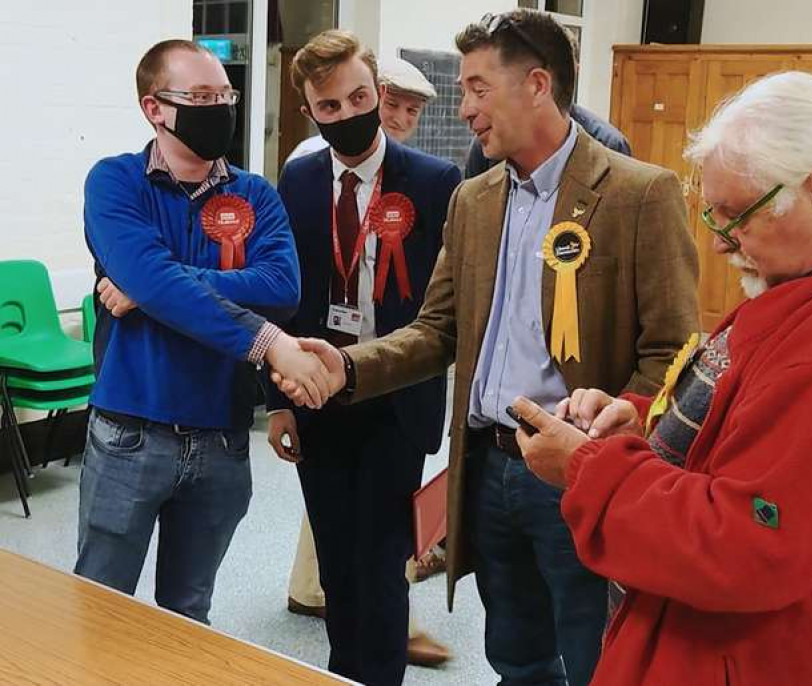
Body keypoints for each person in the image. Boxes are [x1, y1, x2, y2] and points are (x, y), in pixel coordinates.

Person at [511, 71, 812, 686]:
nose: (720, 242)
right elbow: (758, 420)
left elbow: (747, 544)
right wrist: (649, 421)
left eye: (737, 216)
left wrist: (588, 469)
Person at [273, 10, 700, 686]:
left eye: (476, 88)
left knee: (597, 657)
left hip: (576, 472)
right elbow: (435, 329)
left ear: (535, 84)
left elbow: (674, 351)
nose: (465, 108)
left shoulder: (638, 194)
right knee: (516, 656)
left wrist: (606, 427)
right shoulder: (474, 200)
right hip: (488, 469)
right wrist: (348, 365)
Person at [77, 39, 336, 624]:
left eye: (225, 95)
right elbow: (154, 276)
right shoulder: (115, 183)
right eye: (199, 97)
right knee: (100, 606)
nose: (218, 107)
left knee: (189, 614)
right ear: (154, 108)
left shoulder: (255, 195)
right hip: (129, 432)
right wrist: (267, 341)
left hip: (220, 436)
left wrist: (152, 287)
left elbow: (280, 288)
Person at [263, 30, 461, 686]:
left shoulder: (435, 183)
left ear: (378, 91)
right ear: (309, 113)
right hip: (317, 398)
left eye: (359, 97)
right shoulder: (298, 177)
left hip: (395, 401)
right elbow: (288, 298)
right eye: (330, 107)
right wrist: (279, 401)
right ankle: (343, 673)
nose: (348, 115)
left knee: (381, 569)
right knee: (338, 568)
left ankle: (375, 675)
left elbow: (444, 311)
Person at [463, 29, 631, 178]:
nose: (465, 111)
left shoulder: (608, 143)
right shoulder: (485, 147)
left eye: (479, 90)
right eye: (463, 91)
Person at [286, 55, 437, 161]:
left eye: (412, 110)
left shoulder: (421, 173)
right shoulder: (311, 155)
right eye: (392, 104)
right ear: (378, 96)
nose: (400, 119)